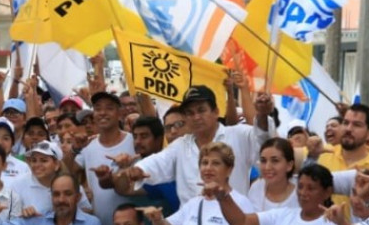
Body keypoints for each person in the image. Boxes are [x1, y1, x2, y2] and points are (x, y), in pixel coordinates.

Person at [116, 85, 273, 202]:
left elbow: (264, 140)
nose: (196, 117)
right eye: (190, 113)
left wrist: (263, 115)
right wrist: (137, 169)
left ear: (216, 112)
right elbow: (156, 162)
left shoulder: (239, 135)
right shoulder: (180, 147)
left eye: (201, 110)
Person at [73, 91, 133, 225]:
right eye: (98, 108)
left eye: (109, 108)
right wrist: (74, 149)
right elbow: (69, 171)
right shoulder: (89, 146)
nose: (102, 113)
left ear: (119, 113)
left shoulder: (133, 141)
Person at [248, 137, 298, 212]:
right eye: (263, 161)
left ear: (289, 165)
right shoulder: (256, 188)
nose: (267, 167)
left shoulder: (300, 193)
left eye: (275, 161)